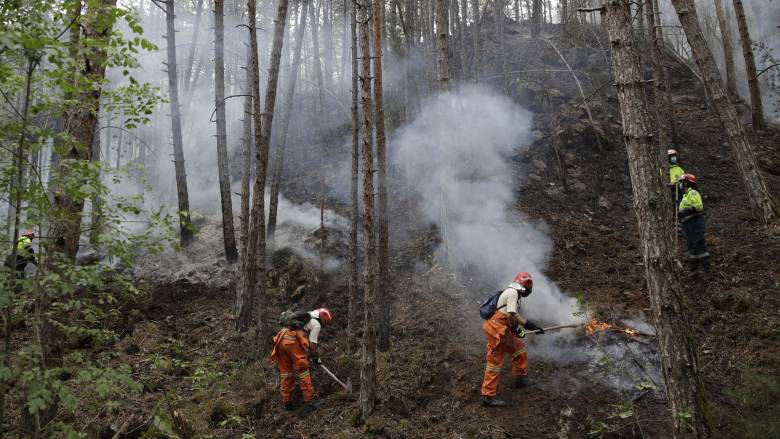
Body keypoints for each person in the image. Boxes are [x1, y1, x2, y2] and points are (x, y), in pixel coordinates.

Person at [481, 272, 544, 407]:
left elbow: (515, 315)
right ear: (525, 287)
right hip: (497, 330)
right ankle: (488, 396)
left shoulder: (514, 294)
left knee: (519, 350)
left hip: (504, 329)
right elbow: (510, 316)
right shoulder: (513, 293)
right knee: (494, 363)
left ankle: (520, 379)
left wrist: (531, 326)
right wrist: (516, 329)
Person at [270, 307, 333, 411]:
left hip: (281, 339)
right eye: (326, 323)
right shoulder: (316, 324)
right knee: (303, 371)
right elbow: (312, 345)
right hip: (292, 342)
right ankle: (310, 402)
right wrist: (316, 358)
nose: (325, 326)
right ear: (323, 319)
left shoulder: (304, 318)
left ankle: (287, 403)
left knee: (286, 373)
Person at [678, 174, 710, 273]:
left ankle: (705, 267)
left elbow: (699, 207)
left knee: (699, 243)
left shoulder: (693, 193)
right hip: (687, 223)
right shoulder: (685, 195)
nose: (681, 185)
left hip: (695, 221)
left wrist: (687, 210)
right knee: (691, 245)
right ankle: (694, 268)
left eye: (682, 182)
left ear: (687, 182)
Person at [667, 149, 686, 220]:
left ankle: (679, 220)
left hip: (679, 190)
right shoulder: (664, 169)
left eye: (674, 156)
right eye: (672, 157)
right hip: (668, 191)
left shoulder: (679, 169)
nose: (674, 158)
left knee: (679, 205)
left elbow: (684, 179)